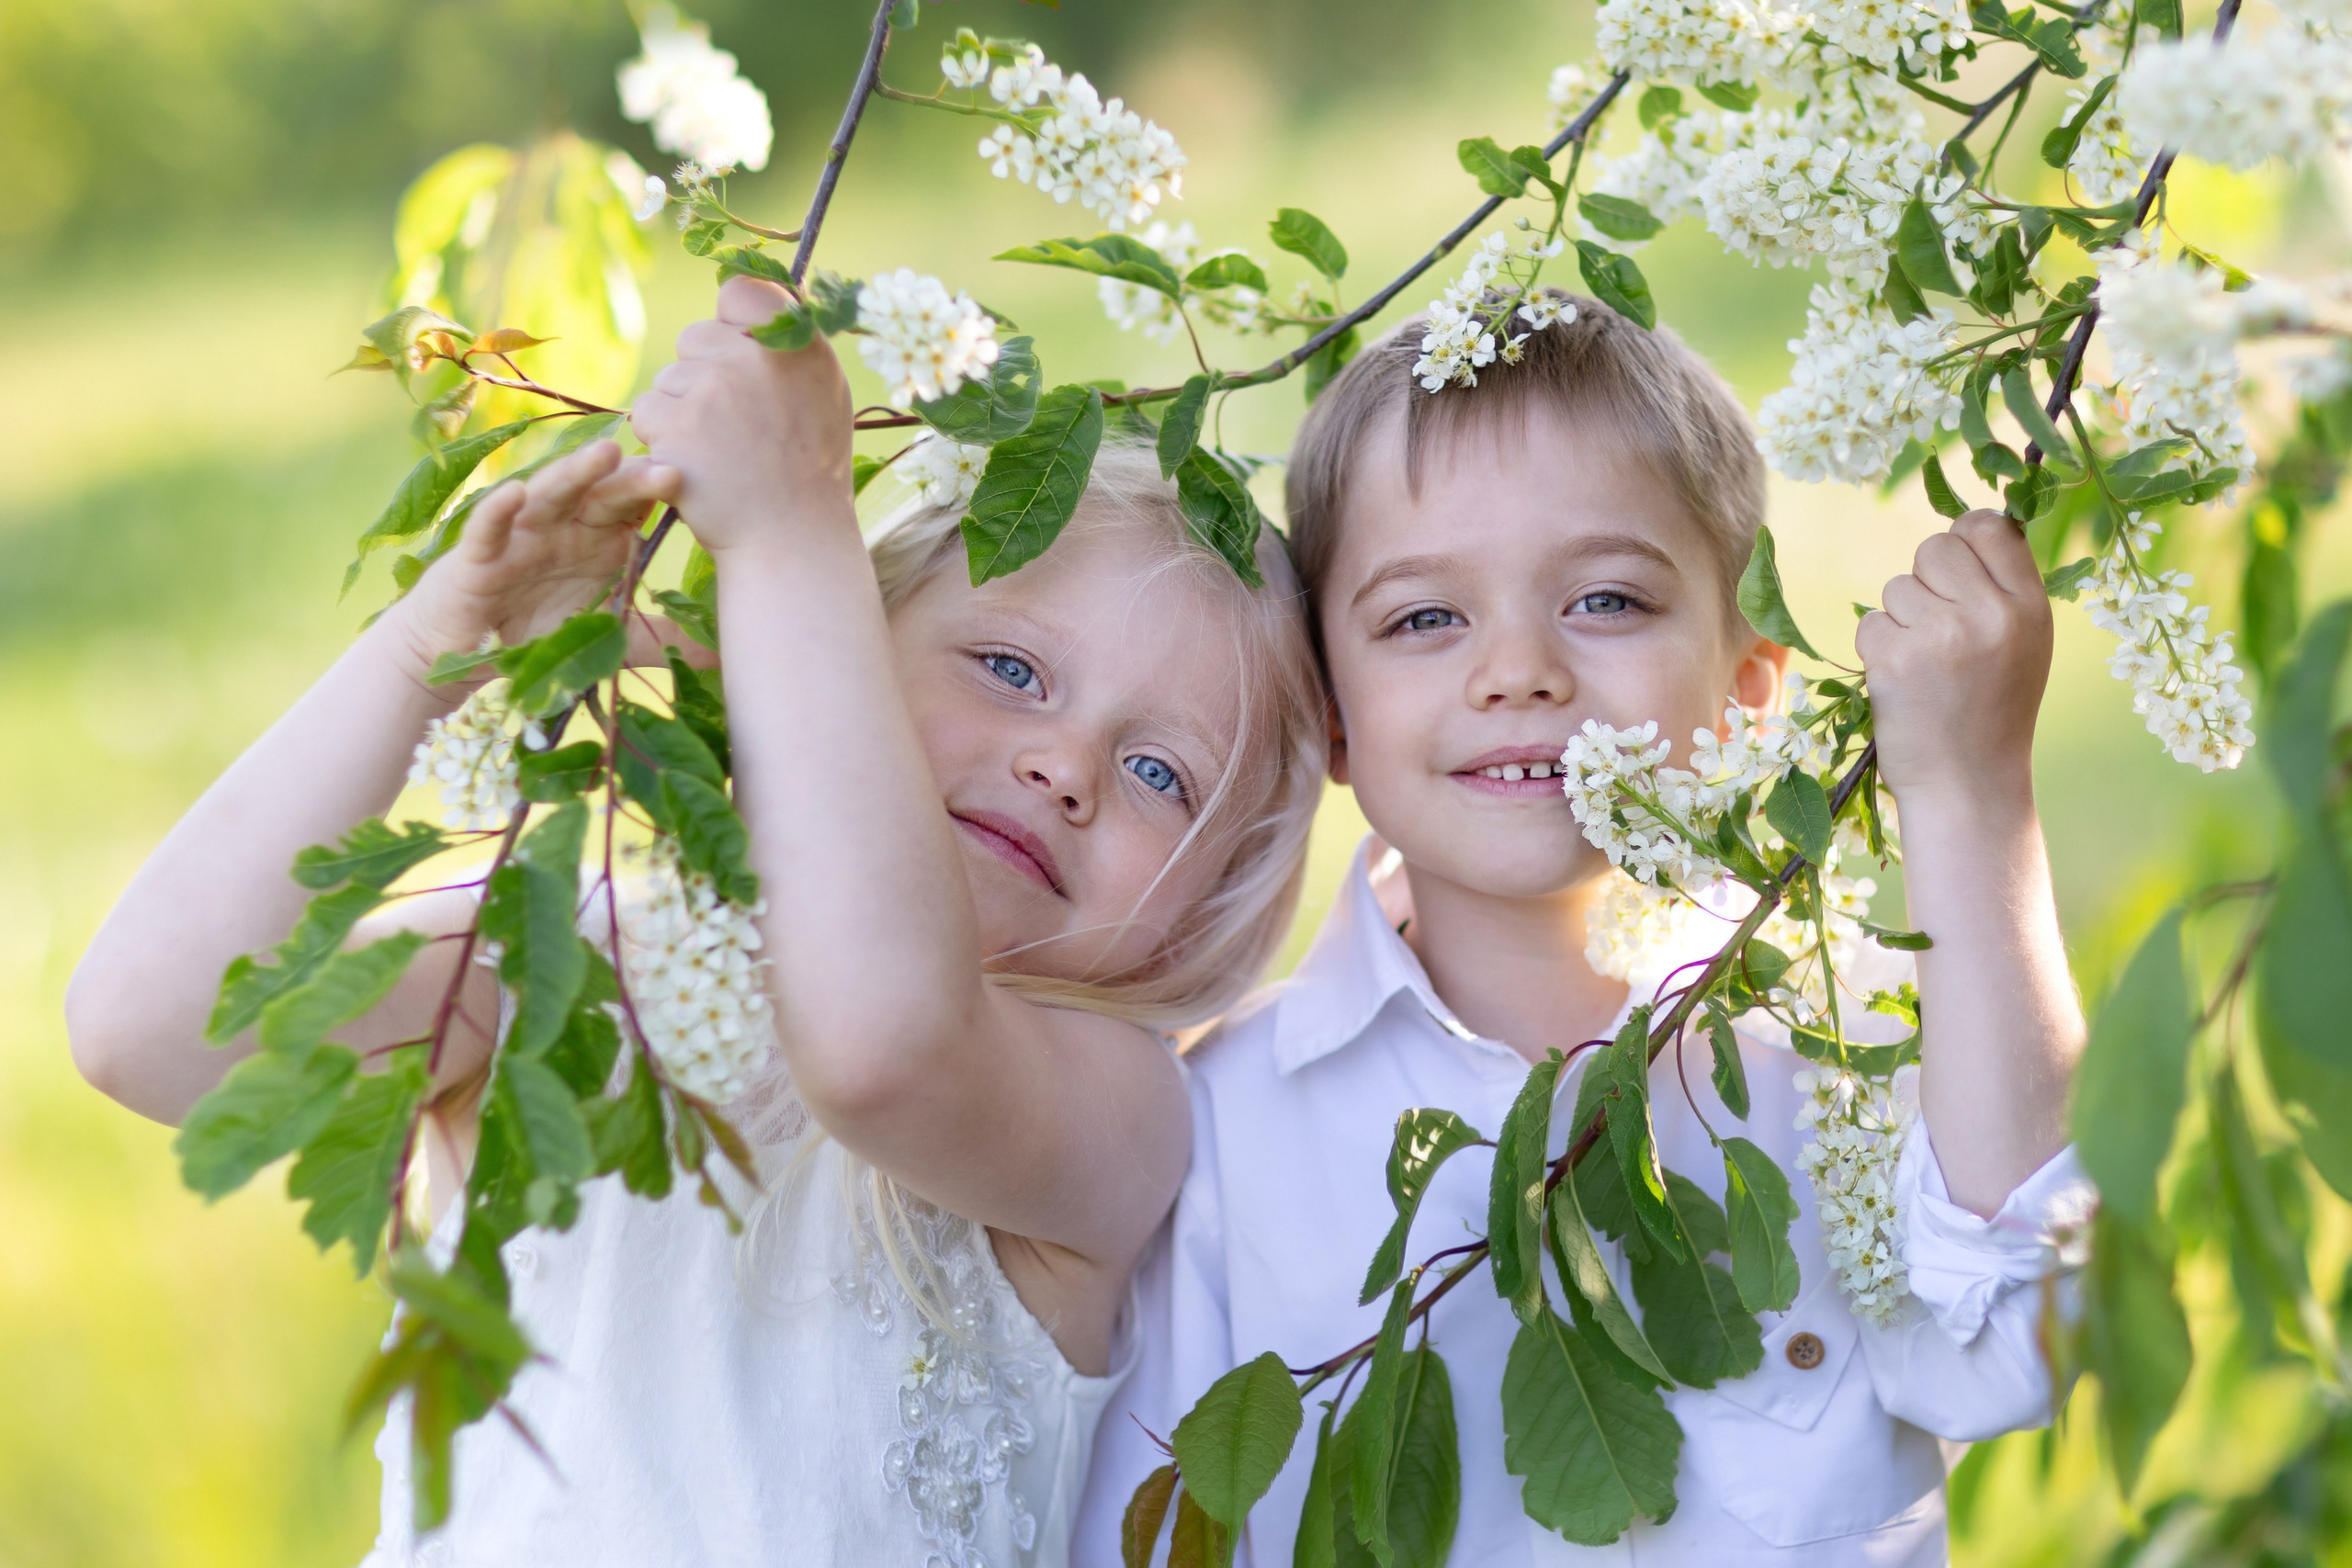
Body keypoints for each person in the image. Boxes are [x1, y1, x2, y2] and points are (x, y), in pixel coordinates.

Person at [66, 276, 1328, 1568]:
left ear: (1206, 911)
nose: (1065, 764)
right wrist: (428, 644)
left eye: (1164, 775)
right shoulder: (586, 959)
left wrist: (791, 523)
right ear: (836, 654)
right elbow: (149, 1035)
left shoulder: (1111, 1108)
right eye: (1009, 670)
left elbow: (882, 1044)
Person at [1079, 290, 2094, 1566]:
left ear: (1745, 695)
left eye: (1606, 600)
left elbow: (2017, 1348)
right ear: (1329, 716)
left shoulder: (1850, 1044)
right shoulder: (1224, 1130)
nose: (1518, 671)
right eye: (1423, 619)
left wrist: (1972, 793)